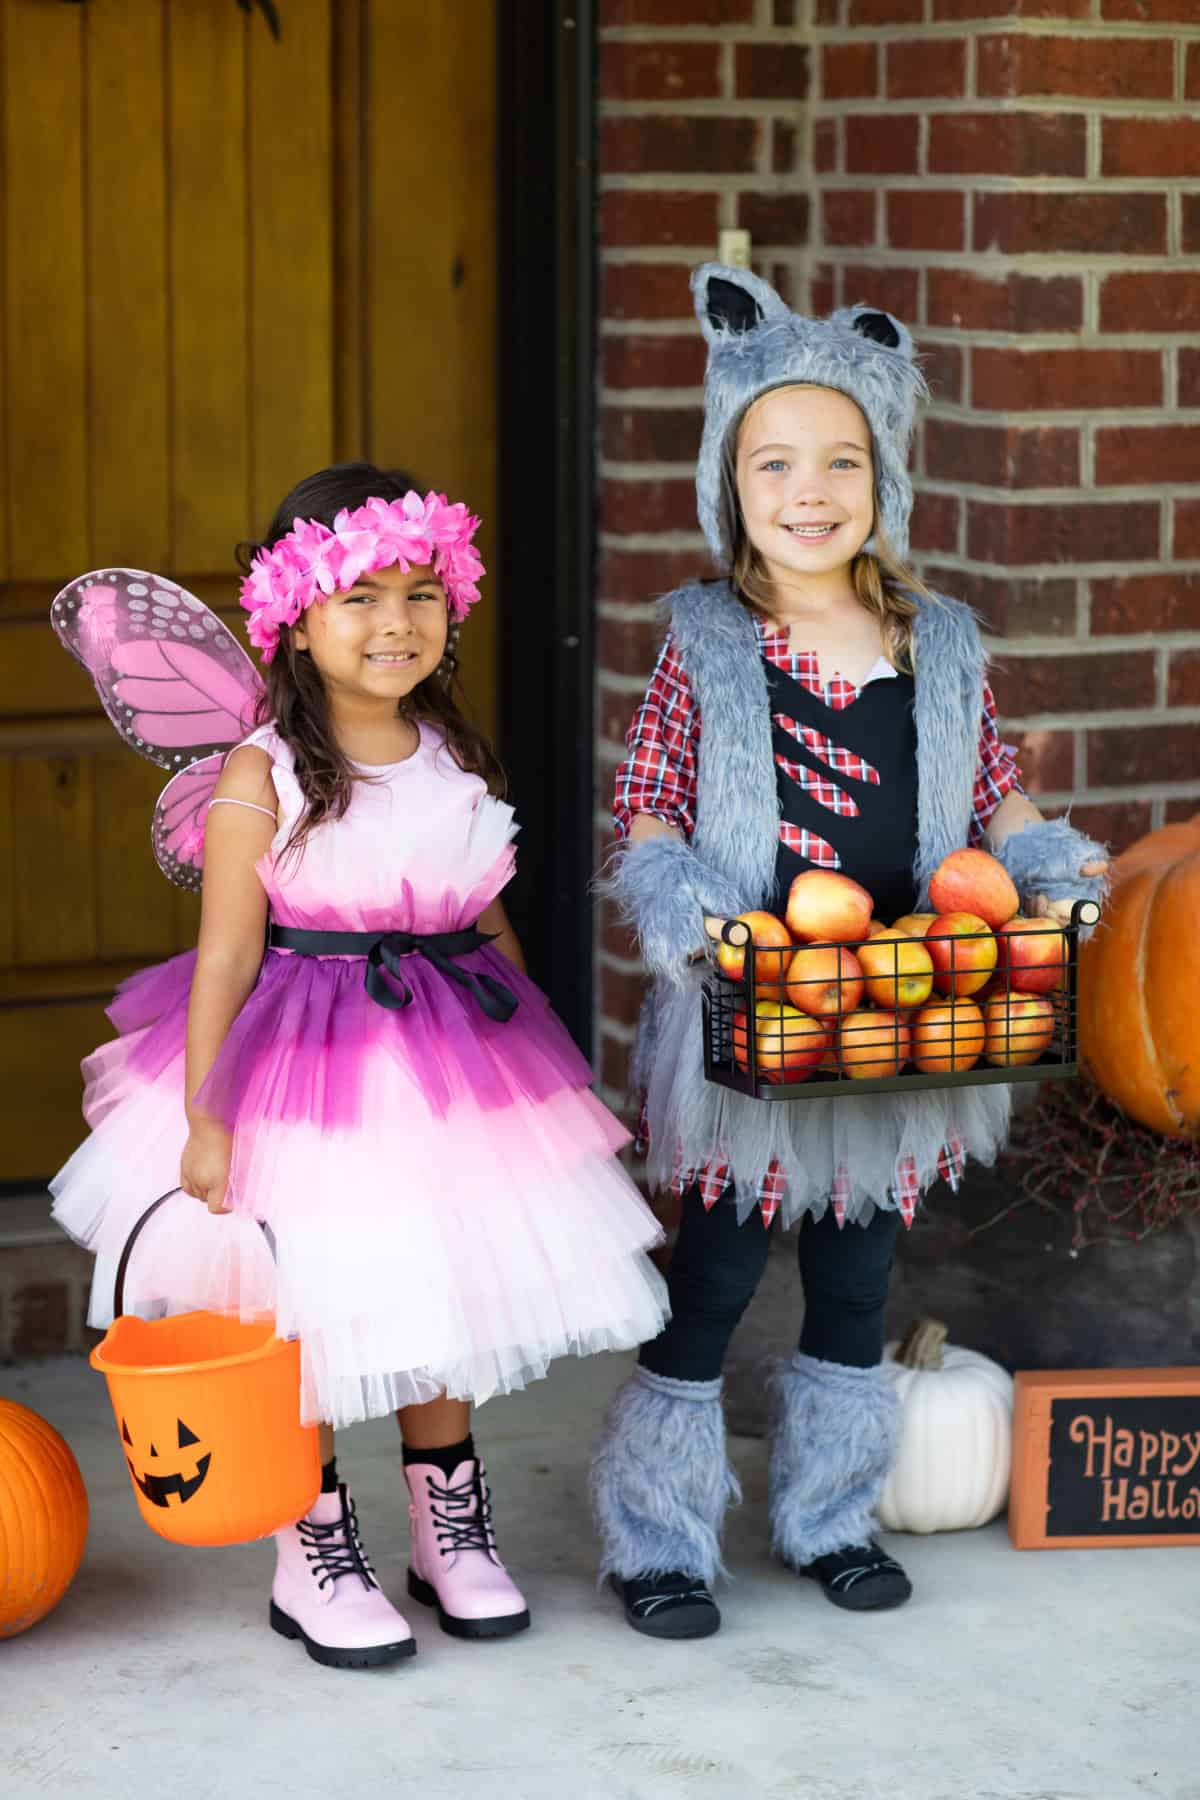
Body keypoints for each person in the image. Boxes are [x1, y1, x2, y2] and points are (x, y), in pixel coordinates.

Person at [51, 462, 667, 1669]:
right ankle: (313, 1543)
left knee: (443, 1292)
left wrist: (529, 1042)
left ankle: (450, 1528)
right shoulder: (264, 770)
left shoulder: (451, 750)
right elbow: (225, 958)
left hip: (451, 1064)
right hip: (299, 1072)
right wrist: (208, 1115)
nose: (396, 623)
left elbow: (484, 915)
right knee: (316, 1307)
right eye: (360, 598)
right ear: (294, 616)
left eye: (421, 593)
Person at [591, 266, 1107, 1640]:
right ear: (730, 479)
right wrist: (689, 901)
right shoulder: (701, 644)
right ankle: (660, 1538)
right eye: (775, 461)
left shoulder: (938, 644)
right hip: (756, 1020)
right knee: (708, 1280)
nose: (808, 490)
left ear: (882, 479)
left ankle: (828, 1519)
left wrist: (1051, 863)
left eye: (840, 460)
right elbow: (644, 814)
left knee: (859, 1281)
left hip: (896, 1016)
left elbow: (999, 798)